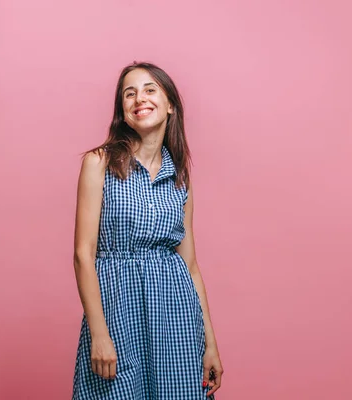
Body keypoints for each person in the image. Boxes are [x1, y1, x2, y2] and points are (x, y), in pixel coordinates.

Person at [71, 61, 223, 399]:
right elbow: (83, 254)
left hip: (175, 315)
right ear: (123, 113)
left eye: (150, 89)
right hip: (118, 313)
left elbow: (191, 266)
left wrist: (209, 342)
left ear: (170, 105)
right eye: (130, 93)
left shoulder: (180, 177)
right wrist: (98, 332)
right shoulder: (99, 163)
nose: (140, 98)